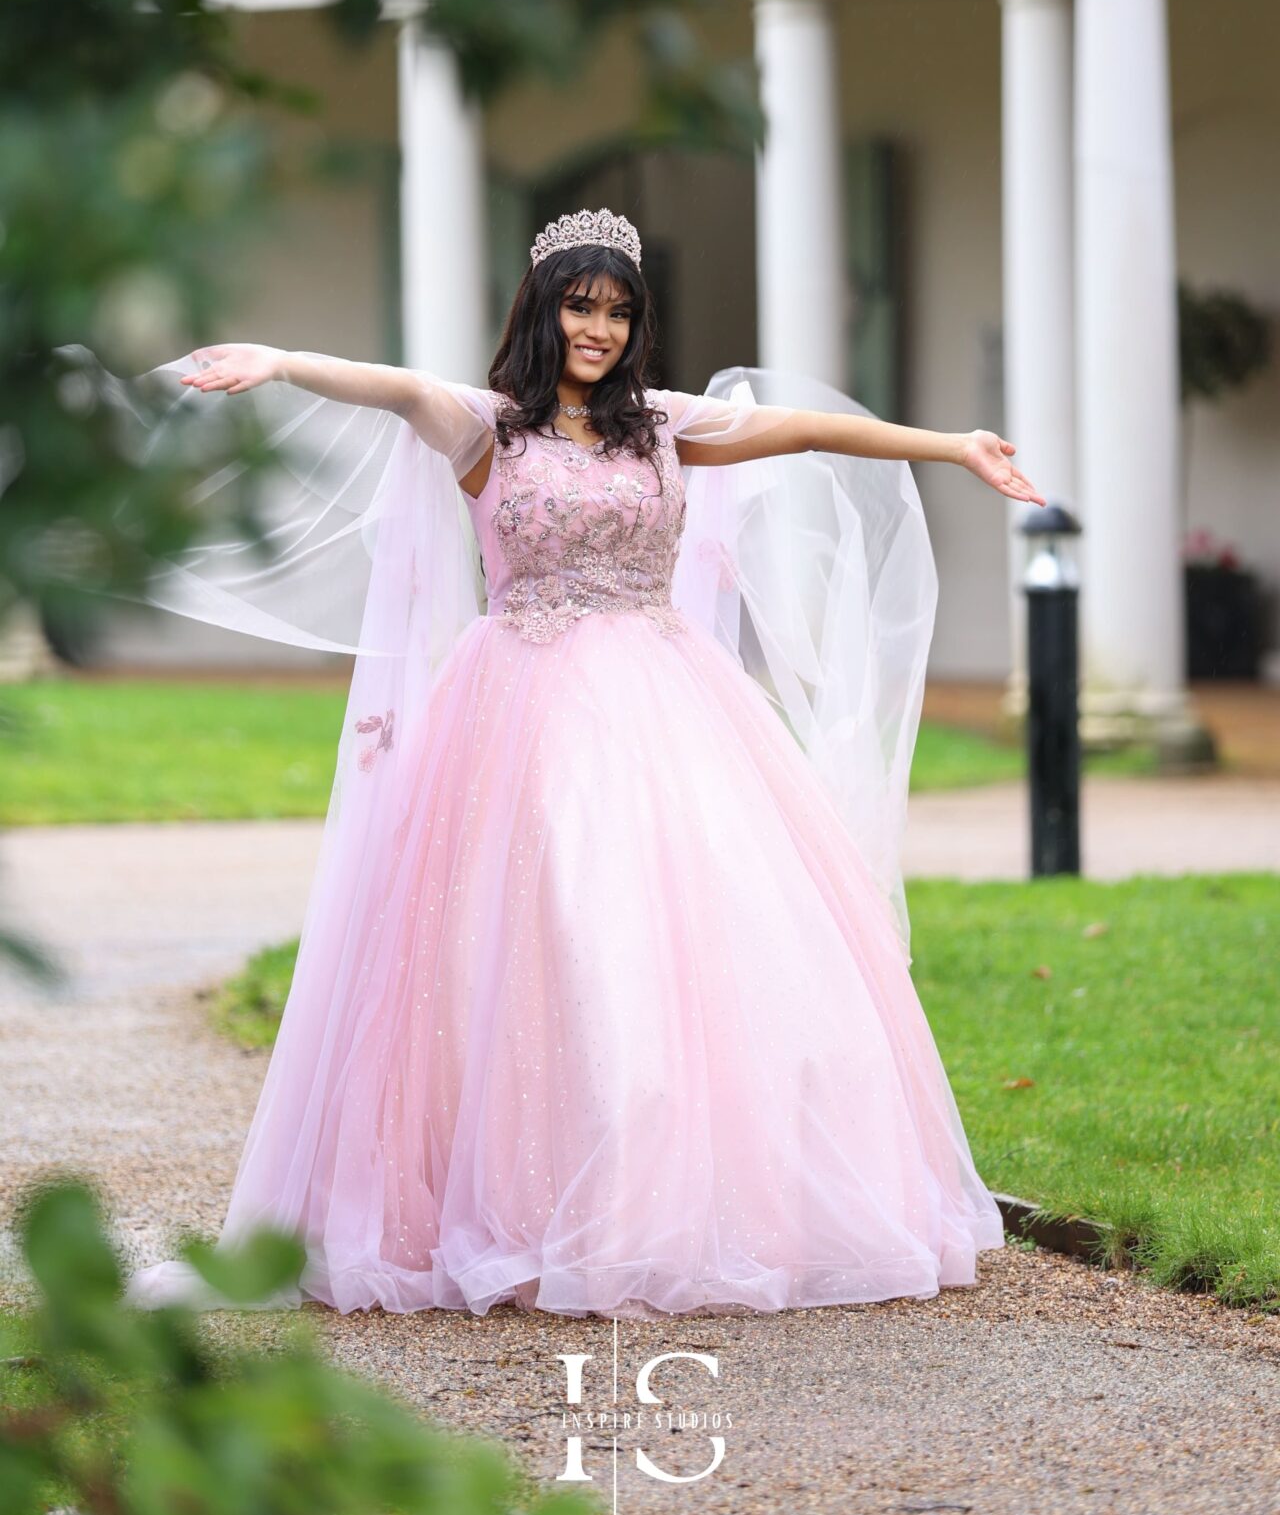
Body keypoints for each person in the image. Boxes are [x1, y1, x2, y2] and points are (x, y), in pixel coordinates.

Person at [123, 205, 1043, 1320]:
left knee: (691, 940)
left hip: (671, 706)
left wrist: (949, 446)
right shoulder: (487, 431)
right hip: (523, 706)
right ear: (542, 308)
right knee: (543, 937)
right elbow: (392, 386)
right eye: (579, 304)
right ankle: (530, 1196)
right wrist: (279, 361)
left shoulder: (662, 426)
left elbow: (804, 429)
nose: (597, 328)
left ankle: (669, 1197)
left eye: (616, 311)